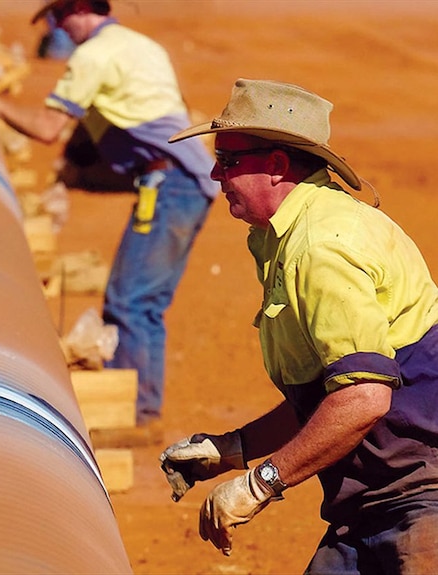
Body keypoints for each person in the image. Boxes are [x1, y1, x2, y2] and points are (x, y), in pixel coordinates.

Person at [159, 78, 438, 573]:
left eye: (228, 161)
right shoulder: (281, 239)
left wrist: (261, 481)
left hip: (421, 500)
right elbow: (331, 393)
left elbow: (363, 399)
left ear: (277, 166)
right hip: (374, 503)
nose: (214, 173)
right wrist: (233, 449)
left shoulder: (321, 246)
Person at [0, 0, 218, 432]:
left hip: (171, 184)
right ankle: (138, 405)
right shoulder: (137, 44)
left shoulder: (93, 55)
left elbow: (47, 127)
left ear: (78, 9)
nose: (58, 29)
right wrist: (70, 172)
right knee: (140, 300)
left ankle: (133, 415)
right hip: (178, 180)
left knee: (131, 301)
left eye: (58, 18)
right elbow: (106, 123)